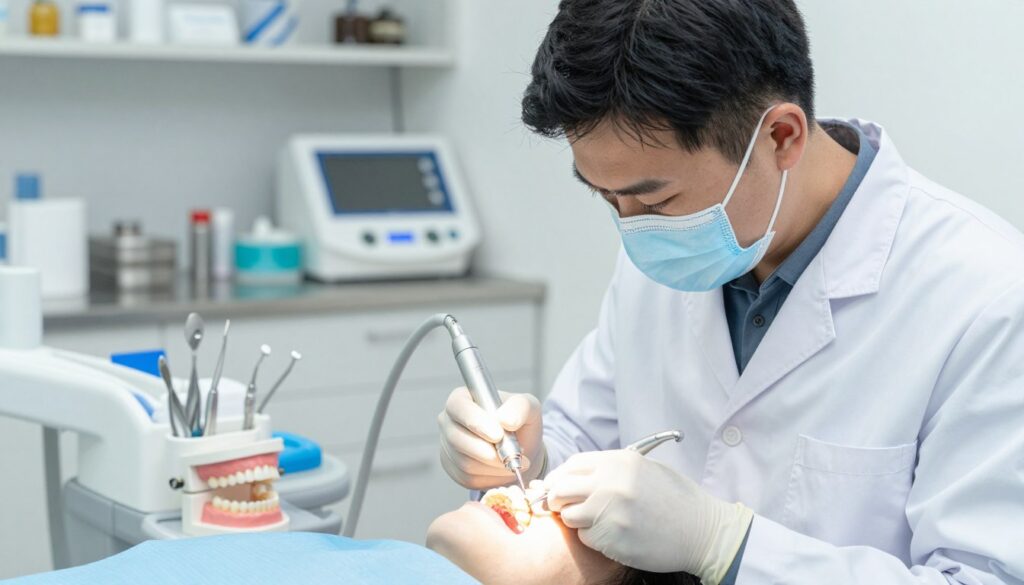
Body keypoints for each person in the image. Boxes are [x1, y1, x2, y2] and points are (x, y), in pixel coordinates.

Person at [437, 1, 1024, 583]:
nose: (634, 226)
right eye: (605, 196)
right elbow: (589, 437)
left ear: (781, 136)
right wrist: (529, 455)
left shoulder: (987, 298)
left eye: (657, 201)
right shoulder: (664, 250)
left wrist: (726, 545)